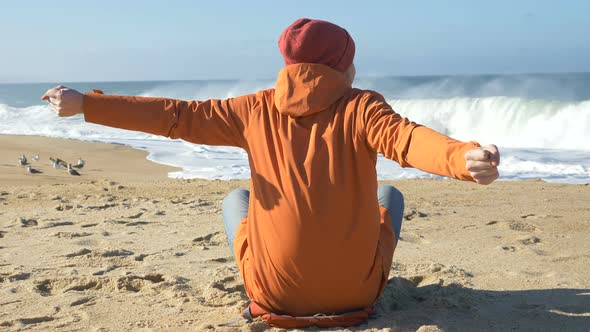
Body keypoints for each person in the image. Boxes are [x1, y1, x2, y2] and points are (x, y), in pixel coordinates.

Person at [41, 18, 499, 328]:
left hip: (273, 298)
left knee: (234, 201)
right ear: (341, 63)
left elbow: (176, 116)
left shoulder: (253, 109)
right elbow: (407, 139)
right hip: (355, 297)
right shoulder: (363, 106)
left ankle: (277, 282)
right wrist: (462, 158)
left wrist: (87, 104)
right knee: (390, 196)